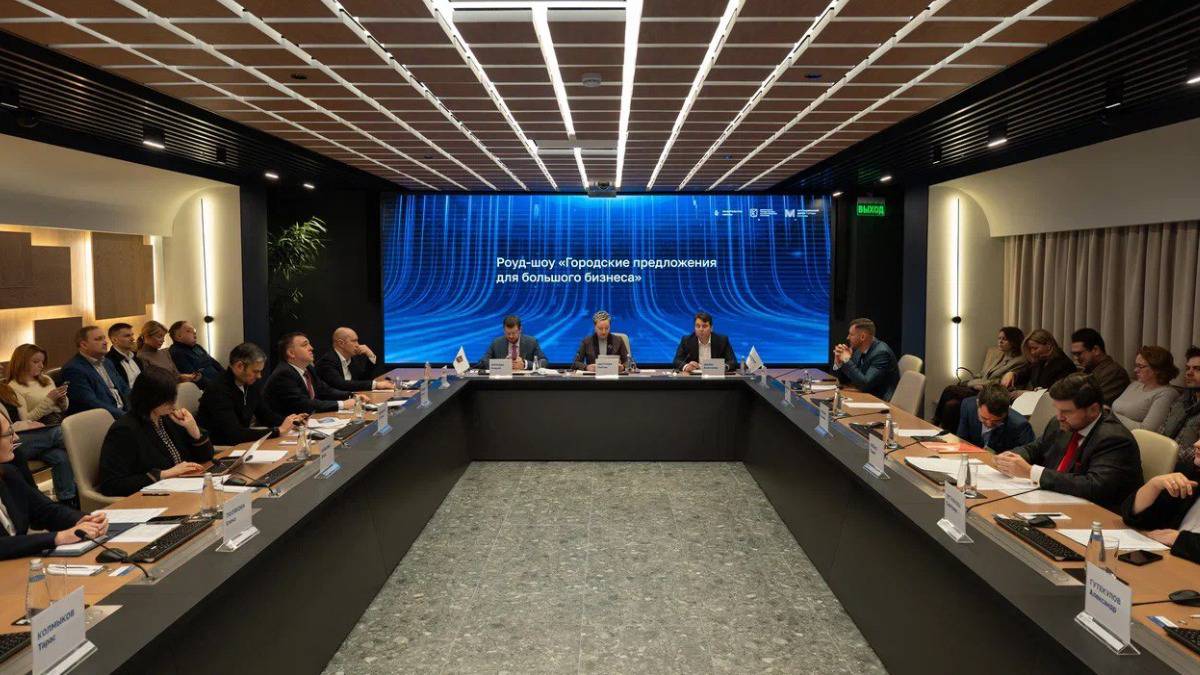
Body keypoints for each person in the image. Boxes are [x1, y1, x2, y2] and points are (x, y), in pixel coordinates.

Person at [995, 373, 1142, 511]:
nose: (1059, 417)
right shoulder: (1061, 423)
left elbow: (1094, 486)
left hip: (1096, 514)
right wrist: (1009, 458)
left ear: (1093, 410)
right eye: (1057, 409)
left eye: (1066, 411)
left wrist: (1031, 472)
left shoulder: (1114, 439)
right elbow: (1037, 448)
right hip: (1052, 501)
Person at [0, 413, 108, 560]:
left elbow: (44, 510)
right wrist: (58, 537)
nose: (16, 438)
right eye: (9, 433)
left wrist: (83, 520)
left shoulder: (8, 474)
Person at [97, 367, 214, 497]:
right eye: (167, 400)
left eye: (173, 398)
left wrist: (194, 430)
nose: (173, 404)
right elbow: (111, 485)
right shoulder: (125, 430)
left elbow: (206, 457)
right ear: (150, 398)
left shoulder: (168, 418)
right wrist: (164, 474)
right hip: (152, 498)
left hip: (183, 489)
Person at [2, 344, 77, 507]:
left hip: (50, 426)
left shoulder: (46, 379)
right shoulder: (13, 387)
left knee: (60, 457)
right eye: (36, 362)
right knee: (61, 433)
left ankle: (68, 501)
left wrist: (62, 400)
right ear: (22, 362)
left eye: (42, 362)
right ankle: (91, 457)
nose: (41, 366)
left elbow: (62, 408)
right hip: (32, 432)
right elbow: (24, 419)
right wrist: (49, 401)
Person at [198, 343, 304, 445]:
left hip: (242, 443)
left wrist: (292, 422)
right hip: (223, 448)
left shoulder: (250, 384)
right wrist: (278, 431)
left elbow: (265, 415)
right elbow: (233, 434)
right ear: (239, 366)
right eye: (255, 371)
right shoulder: (217, 390)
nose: (259, 376)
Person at [1121, 438, 1200, 564]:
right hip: (1169, 561)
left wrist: (1180, 540)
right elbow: (1143, 522)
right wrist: (1153, 486)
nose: (1196, 444)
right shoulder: (1190, 472)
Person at [933, 327, 1025, 428]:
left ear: (1014, 341)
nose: (1000, 341)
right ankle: (943, 432)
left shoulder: (1019, 361)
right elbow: (983, 374)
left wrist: (972, 383)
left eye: (1004, 339)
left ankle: (935, 423)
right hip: (978, 388)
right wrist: (974, 381)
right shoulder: (999, 356)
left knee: (949, 389)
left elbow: (999, 382)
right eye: (999, 338)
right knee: (951, 405)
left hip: (989, 394)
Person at [264, 332, 365, 415]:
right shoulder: (284, 374)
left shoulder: (308, 368)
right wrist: (342, 404)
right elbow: (303, 404)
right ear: (291, 353)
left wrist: (352, 395)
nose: (311, 348)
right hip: (285, 427)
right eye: (305, 345)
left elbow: (325, 390)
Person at [61, 325, 130, 418]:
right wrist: (125, 417)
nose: (105, 342)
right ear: (84, 345)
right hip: (102, 419)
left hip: (124, 414)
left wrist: (136, 411)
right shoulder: (74, 370)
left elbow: (124, 389)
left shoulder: (107, 362)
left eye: (104, 338)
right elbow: (90, 403)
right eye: (99, 339)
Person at [1111, 345, 1180, 431]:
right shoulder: (1135, 384)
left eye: (1140, 366)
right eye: (1136, 365)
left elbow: (1147, 430)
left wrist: (1111, 416)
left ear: (1157, 369)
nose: (1135, 370)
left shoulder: (1166, 394)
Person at [831, 318, 899, 400]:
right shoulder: (859, 349)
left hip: (879, 399)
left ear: (862, 337)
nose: (848, 337)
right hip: (864, 394)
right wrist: (839, 362)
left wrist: (846, 360)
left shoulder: (881, 353)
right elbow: (846, 380)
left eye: (851, 334)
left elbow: (865, 385)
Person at [956, 385, 1035, 453]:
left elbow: (1029, 458)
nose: (989, 424)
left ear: (1007, 411)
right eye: (984, 418)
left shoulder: (1021, 426)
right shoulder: (968, 406)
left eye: (996, 421)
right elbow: (962, 440)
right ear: (977, 404)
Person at [316, 327, 395, 391]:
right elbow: (341, 384)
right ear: (341, 343)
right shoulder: (327, 361)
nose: (358, 345)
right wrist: (376, 385)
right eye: (354, 341)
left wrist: (371, 356)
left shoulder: (352, 359)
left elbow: (362, 380)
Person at [1159, 346, 1200, 463]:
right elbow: (1162, 430)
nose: (1189, 373)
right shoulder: (1181, 400)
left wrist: (1166, 453)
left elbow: (1196, 454)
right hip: (1163, 459)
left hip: (1186, 468)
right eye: (1187, 368)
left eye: (1197, 369)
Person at [1069, 328, 1130, 405]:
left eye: (1079, 354)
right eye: (1074, 354)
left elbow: (1094, 403)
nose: (1075, 358)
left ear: (1096, 350)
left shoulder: (1114, 373)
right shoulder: (1087, 370)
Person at [1002, 329, 1075, 394]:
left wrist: (1027, 394)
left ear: (1048, 346)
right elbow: (1024, 374)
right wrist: (1012, 374)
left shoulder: (1065, 365)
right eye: (1030, 349)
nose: (1032, 352)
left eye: (1035, 348)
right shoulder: (1040, 361)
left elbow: (1056, 392)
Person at [672, 312, 738, 373]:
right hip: (694, 378)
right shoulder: (687, 340)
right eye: (698, 326)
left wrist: (724, 367)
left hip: (716, 377)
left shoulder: (722, 340)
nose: (701, 329)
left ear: (711, 328)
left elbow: (733, 361)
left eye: (704, 326)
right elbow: (676, 361)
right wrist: (686, 366)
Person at [479, 315, 548, 371]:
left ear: (520, 330)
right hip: (503, 380)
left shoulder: (532, 342)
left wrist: (525, 364)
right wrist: (502, 364)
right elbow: (482, 362)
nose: (511, 336)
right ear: (504, 330)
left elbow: (544, 362)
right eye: (508, 333)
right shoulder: (496, 343)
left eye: (514, 333)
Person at [167, 320, 223, 389]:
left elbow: (213, 362)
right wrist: (217, 387)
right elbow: (194, 377)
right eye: (188, 331)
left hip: (220, 382)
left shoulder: (197, 347)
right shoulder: (176, 352)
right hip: (209, 388)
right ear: (179, 336)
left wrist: (227, 377)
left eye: (194, 330)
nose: (194, 333)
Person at [105, 322, 142, 388]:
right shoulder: (107, 361)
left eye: (132, 335)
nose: (133, 339)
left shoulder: (137, 358)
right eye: (127, 336)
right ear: (114, 340)